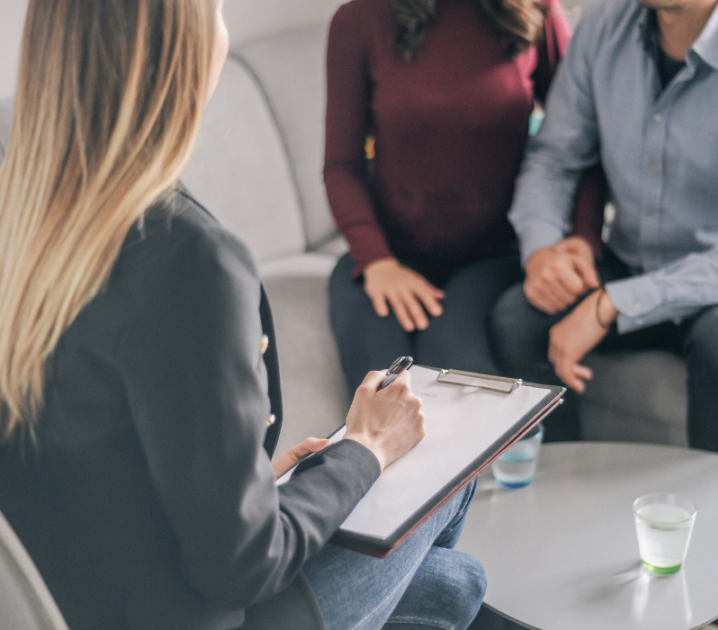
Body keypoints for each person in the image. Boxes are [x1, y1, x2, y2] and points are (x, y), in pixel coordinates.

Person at [0, 1, 485, 629]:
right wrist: (365, 447)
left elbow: (93, 445)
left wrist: (251, 479)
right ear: (189, 51)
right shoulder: (186, 258)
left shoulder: (23, 215)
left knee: (453, 586)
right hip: (190, 611)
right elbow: (242, 565)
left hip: (84, 601)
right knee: (451, 469)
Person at [490, 0, 718, 466]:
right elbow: (554, 159)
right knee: (517, 319)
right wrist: (541, 252)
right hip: (635, 258)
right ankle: (566, 498)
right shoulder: (605, 26)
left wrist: (612, 305)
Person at [325, 0, 604, 396]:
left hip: (496, 255)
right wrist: (377, 261)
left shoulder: (536, 12)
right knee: (380, 390)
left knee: (457, 371)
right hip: (388, 254)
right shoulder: (358, 20)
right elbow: (341, 166)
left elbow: (581, 145)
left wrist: (584, 237)